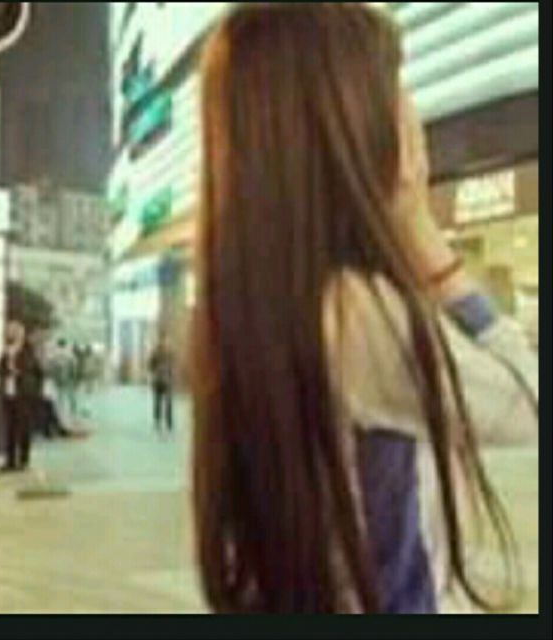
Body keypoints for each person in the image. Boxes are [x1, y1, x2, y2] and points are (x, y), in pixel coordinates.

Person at [190, 3, 538, 614]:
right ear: (352, 123)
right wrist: (422, 231)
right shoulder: (358, 317)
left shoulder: (258, 306)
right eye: (395, 88)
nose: (410, 111)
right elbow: (530, 401)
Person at [0, 321, 42, 472]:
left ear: (20, 335)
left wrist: (18, 371)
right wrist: (4, 371)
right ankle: (10, 461)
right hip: (9, 394)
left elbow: (35, 370)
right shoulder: (6, 351)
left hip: (24, 395)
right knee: (9, 428)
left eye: (13, 332)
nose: (10, 335)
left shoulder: (28, 351)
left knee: (23, 428)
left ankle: (23, 460)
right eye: (9, 332)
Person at [148, 336, 175, 435]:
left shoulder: (169, 352)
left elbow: (173, 364)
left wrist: (171, 374)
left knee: (167, 403)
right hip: (160, 380)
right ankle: (159, 422)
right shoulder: (156, 352)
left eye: (165, 340)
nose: (164, 342)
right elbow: (150, 365)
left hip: (166, 380)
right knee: (159, 402)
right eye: (163, 340)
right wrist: (155, 374)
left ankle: (167, 423)